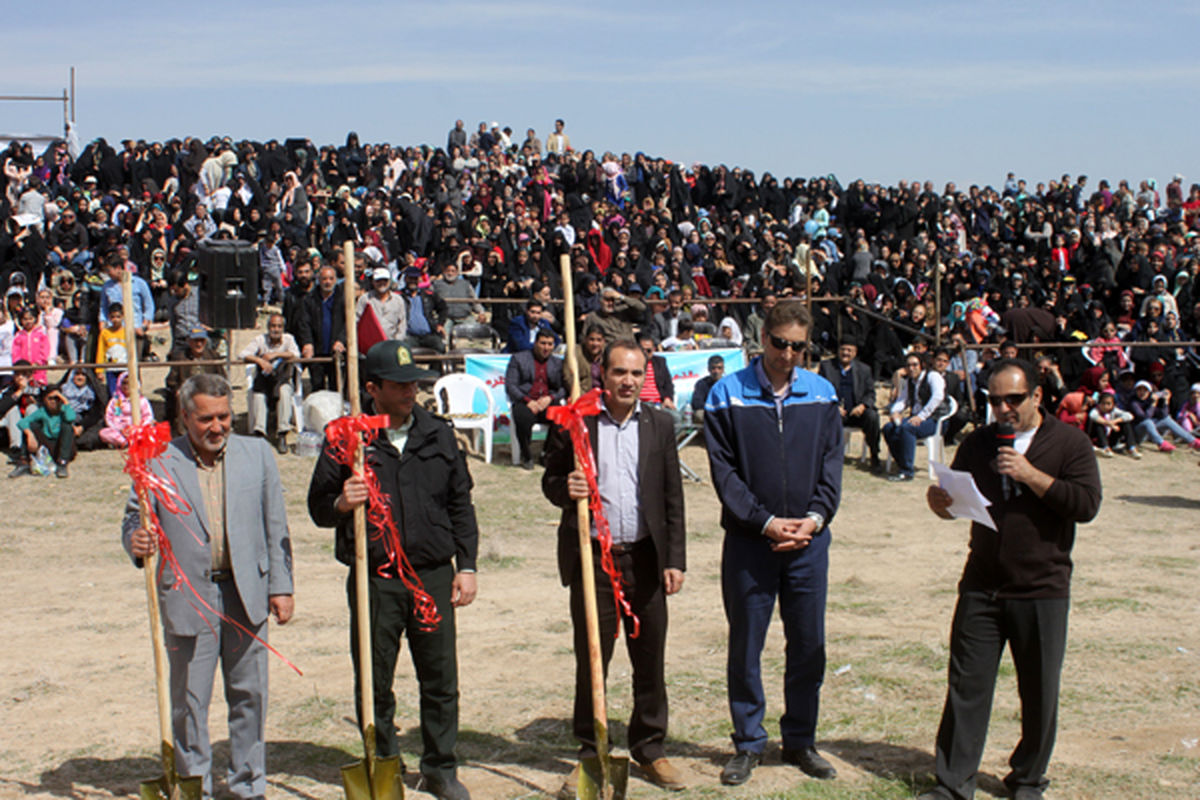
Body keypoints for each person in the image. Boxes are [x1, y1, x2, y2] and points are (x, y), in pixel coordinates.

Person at [921, 359, 1101, 800]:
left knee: (1039, 692)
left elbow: (1086, 504)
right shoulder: (979, 443)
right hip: (982, 585)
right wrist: (940, 503)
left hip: (1042, 588)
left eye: (1013, 399)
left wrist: (1032, 476)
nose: (1003, 408)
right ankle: (952, 784)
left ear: (1038, 396)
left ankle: (1026, 780)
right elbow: (958, 502)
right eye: (995, 400)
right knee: (966, 687)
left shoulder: (1069, 443)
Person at [307, 340, 479, 800]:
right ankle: (382, 762)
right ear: (372, 388)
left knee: (440, 677)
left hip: (432, 574)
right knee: (374, 678)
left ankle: (440, 767)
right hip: (375, 579)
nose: (410, 392)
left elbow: (460, 501)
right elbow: (318, 507)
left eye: (414, 383)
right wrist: (344, 501)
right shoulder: (348, 439)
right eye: (399, 385)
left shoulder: (438, 434)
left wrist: (468, 566)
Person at [121, 373, 295, 800]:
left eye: (224, 417)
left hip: (247, 596)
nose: (217, 427)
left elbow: (277, 527)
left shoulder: (258, 455)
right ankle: (193, 783)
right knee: (190, 703)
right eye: (206, 419)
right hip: (188, 598)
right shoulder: (157, 461)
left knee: (250, 696)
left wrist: (281, 585)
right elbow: (133, 520)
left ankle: (247, 786)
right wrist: (135, 540)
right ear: (184, 417)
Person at [704, 302, 843, 786]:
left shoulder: (823, 395)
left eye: (797, 346)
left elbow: (831, 468)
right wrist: (763, 522)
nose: (787, 354)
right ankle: (748, 742)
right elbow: (724, 473)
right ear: (762, 338)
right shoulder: (726, 395)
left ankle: (801, 740)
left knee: (808, 646)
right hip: (749, 545)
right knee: (746, 646)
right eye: (779, 343)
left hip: (808, 544)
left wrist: (813, 520)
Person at [542, 338, 688, 795]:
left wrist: (675, 560)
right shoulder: (576, 422)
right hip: (594, 561)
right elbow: (549, 481)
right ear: (601, 375)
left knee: (650, 658)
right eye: (619, 372)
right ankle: (591, 750)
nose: (627, 381)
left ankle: (650, 747)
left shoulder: (660, 425)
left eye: (635, 374)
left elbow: (672, 499)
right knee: (593, 659)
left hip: (645, 558)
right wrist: (567, 487)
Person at [505, 328, 566, 469]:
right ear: (535, 343)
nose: (546, 348)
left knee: (561, 416)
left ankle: (547, 453)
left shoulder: (557, 363)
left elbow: (563, 388)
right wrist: (528, 401)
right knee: (522, 418)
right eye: (543, 343)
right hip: (525, 401)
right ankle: (527, 455)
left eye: (550, 344)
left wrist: (550, 398)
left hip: (546, 402)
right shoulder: (519, 359)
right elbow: (511, 385)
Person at [240, 313, 301, 453]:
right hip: (264, 380)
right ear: (268, 327)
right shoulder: (260, 339)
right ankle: (260, 433)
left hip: (281, 379)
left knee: (285, 392)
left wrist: (276, 355)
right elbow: (243, 354)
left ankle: (282, 434)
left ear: (283, 328)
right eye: (273, 326)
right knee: (258, 395)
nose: (276, 329)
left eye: (279, 326)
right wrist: (260, 360)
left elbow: (295, 354)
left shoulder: (288, 339)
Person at [883, 351, 947, 481]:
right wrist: (895, 412)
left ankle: (907, 471)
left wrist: (922, 416)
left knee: (907, 428)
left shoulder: (933, 376)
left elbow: (938, 397)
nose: (911, 368)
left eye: (915, 365)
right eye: (908, 365)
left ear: (922, 365)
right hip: (916, 417)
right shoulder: (909, 382)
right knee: (888, 428)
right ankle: (901, 462)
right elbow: (902, 400)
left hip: (935, 419)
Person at [818, 341, 881, 469]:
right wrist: (833, 406)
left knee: (873, 417)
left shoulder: (864, 369)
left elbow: (870, 394)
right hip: (836, 412)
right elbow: (820, 391)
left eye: (849, 350)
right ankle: (827, 457)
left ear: (855, 352)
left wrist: (863, 406)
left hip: (857, 413)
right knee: (824, 416)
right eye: (843, 349)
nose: (845, 353)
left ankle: (874, 455)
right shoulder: (827, 366)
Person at [165, 329, 226, 433]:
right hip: (188, 390)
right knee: (180, 395)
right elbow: (171, 380)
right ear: (189, 341)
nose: (199, 344)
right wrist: (178, 389)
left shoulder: (213, 355)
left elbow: (222, 377)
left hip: (209, 389)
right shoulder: (180, 357)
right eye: (195, 341)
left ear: (206, 342)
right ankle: (183, 431)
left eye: (202, 340)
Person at [298, 265, 346, 392]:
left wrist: (341, 340)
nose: (328, 282)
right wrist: (307, 343)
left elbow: (349, 323)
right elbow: (304, 323)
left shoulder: (343, 298)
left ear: (336, 280)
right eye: (324, 279)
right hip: (317, 350)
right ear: (319, 280)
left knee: (336, 387)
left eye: (331, 278)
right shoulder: (309, 299)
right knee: (317, 386)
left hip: (336, 350)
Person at [10, 386, 75, 478]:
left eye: (57, 398)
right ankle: (24, 462)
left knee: (67, 426)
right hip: (47, 444)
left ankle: (62, 464)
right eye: (50, 398)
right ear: (44, 400)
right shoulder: (42, 411)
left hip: (62, 446)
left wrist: (66, 402)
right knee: (31, 426)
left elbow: (71, 418)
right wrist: (29, 435)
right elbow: (22, 422)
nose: (53, 401)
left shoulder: (64, 410)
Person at [400, 266, 448, 354]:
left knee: (440, 347)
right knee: (403, 350)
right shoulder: (399, 296)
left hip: (429, 334)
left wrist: (440, 324)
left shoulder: (428, 294)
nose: (412, 281)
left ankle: (434, 368)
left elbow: (443, 307)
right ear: (405, 279)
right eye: (410, 278)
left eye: (415, 278)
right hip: (409, 335)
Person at [100, 371, 154, 449]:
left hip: (137, 429)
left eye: (129, 383)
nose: (126, 386)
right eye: (124, 383)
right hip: (120, 431)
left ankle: (135, 440)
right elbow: (109, 416)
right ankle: (124, 442)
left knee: (151, 431)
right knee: (104, 433)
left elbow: (148, 416)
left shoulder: (142, 400)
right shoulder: (116, 400)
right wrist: (119, 428)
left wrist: (137, 427)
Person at [357, 267, 407, 341]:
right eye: (378, 281)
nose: (382, 283)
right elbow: (357, 320)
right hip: (370, 342)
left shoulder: (398, 300)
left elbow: (402, 324)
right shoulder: (365, 299)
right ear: (373, 282)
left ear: (389, 282)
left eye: (385, 280)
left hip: (391, 342)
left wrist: (397, 342)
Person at [689, 354, 725, 426]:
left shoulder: (728, 383)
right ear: (708, 369)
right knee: (699, 414)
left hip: (725, 411)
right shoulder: (702, 383)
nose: (716, 371)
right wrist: (713, 408)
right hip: (708, 412)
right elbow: (696, 403)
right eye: (713, 368)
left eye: (719, 368)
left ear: (723, 369)